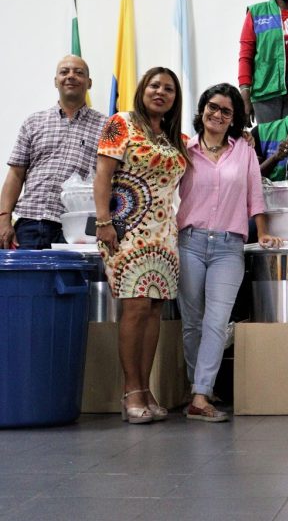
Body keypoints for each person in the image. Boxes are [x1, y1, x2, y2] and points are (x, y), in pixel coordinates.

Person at [177, 84, 283, 422]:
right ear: (202, 109)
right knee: (192, 323)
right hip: (188, 243)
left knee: (216, 321)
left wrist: (263, 232)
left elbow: (255, 194)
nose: (218, 114)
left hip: (228, 246)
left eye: (226, 111)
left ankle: (200, 394)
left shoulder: (244, 151)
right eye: (213, 107)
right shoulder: (184, 149)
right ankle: (199, 386)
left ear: (234, 118)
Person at [93, 67, 189, 424]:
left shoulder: (175, 137)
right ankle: (131, 391)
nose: (160, 92)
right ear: (142, 89)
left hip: (164, 234)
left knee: (153, 310)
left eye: (169, 89)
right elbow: (103, 175)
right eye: (154, 85)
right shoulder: (121, 123)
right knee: (135, 307)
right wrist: (103, 222)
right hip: (126, 228)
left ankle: (145, 389)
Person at [0, 55, 105, 249]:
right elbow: (15, 174)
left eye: (78, 72)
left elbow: (111, 180)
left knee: (74, 272)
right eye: (64, 72)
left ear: (89, 83)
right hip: (29, 224)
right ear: (56, 81)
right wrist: (3, 218)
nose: (71, 76)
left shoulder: (106, 127)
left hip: (78, 229)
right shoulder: (34, 122)